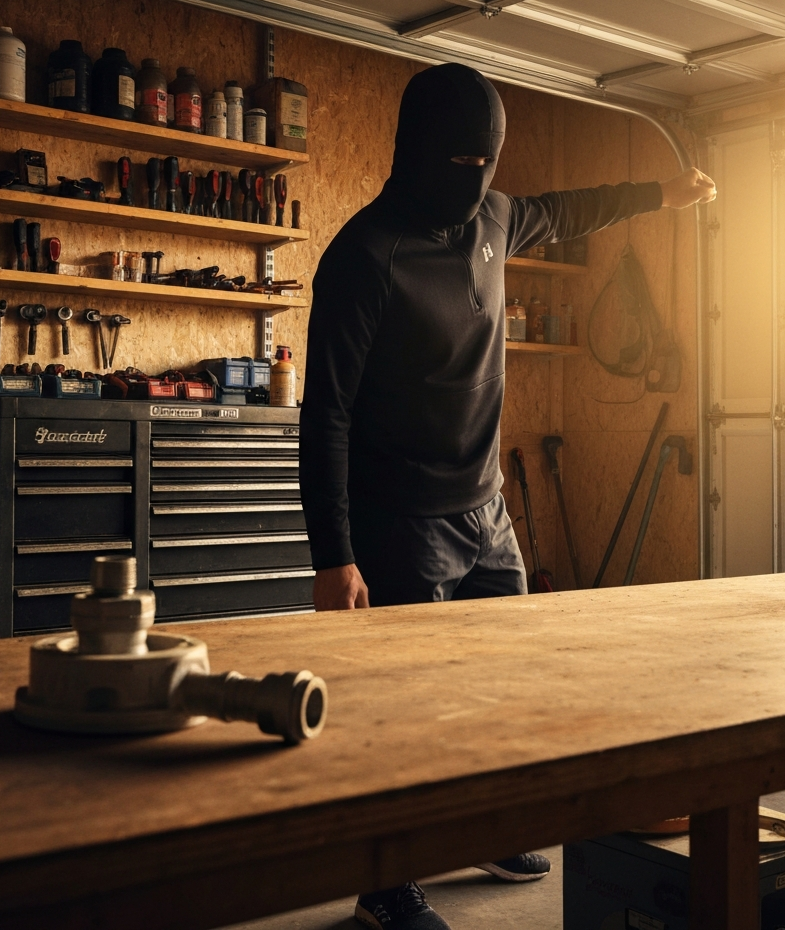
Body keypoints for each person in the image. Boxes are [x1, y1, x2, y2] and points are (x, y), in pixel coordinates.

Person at [298, 63, 716, 930]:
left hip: (486, 511)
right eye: (464, 165)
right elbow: (325, 413)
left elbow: (572, 207)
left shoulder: (496, 216)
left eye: (489, 165)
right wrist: (333, 553)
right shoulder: (363, 257)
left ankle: (487, 831)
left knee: (507, 687)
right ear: (419, 154)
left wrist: (664, 196)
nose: (479, 182)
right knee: (406, 710)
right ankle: (387, 883)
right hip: (400, 520)